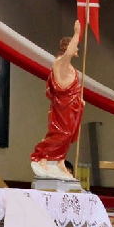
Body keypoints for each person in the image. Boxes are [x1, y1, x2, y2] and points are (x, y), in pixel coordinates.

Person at [30, 19, 85, 180]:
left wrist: (80, 100)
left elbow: (75, 88)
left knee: (69, 135)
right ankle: (43, 156)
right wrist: (77, 33)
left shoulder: (72, 68)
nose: (77, 49)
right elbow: (69, 54)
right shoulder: (60, 63)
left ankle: (60, 161)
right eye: (75, 46)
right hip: (63, 106)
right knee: (61, 133)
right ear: (68, 47)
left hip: (73, 106)